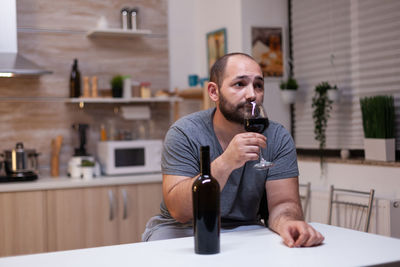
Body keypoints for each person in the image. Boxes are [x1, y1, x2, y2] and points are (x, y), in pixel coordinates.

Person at [142, 52, 324, 248]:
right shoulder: (184, 133)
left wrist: (288, 222)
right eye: (240, 84)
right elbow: (180, 211)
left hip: (246, 230)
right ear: (214, 92)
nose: (252, 94)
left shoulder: (277, 137)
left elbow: (283, 204)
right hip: (182, 230)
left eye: (258, 85)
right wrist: (225, 163)